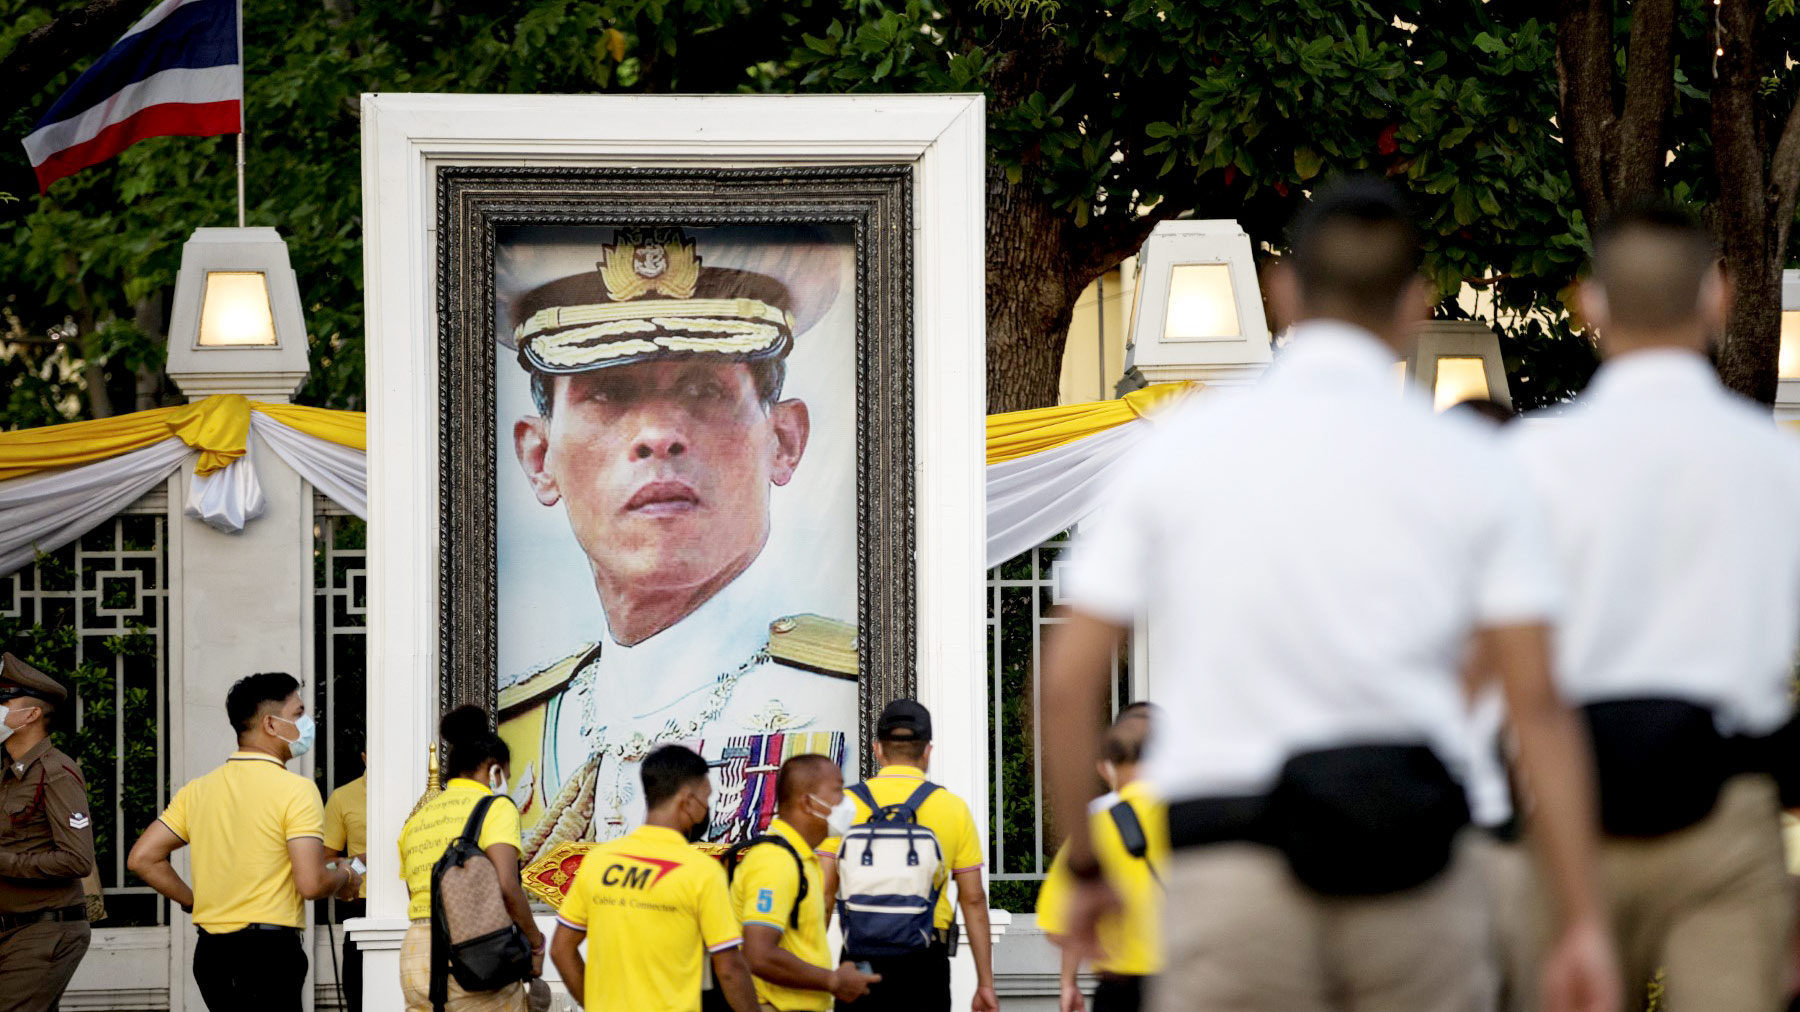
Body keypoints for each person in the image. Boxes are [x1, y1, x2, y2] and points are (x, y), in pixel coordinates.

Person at [1041, 177, 1619, 1012]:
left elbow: (1068, 677)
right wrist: (1579, 916)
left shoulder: (1184, 450)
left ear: (1281, 291)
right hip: (1412, 864)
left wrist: (1089, 864)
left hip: (1234, 869)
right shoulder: (1475, 469)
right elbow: (1537, 701)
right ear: (1417, 303)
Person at [1508, 199, 1800, 1011]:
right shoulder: (1776, 468)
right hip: (1729, 812)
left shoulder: (1529, 463)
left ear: (1589, 304)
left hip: (1568, 808)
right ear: (1718, 295)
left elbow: (1498, 668)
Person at [497, 227, 859, 855]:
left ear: (785, 440)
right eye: (608, 393)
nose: (660, 435)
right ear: (538, 457)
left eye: (703, 390)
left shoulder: (845, 692)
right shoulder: (522, 728)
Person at [128, 671, 362, 1012]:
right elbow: (311, 884)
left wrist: (195, 901)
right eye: (297, 714)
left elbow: (142, 858)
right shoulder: (295, 790)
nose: (306, 723)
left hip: (210, 953)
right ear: (271, 724)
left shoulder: (198, 790)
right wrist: (346, 874)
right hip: (269, 953)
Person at [549, 744, 760, 1012]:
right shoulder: (700, 871)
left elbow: (561, 950)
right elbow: (729, 968)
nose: (707, 808)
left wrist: (593, 1004)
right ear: (687, 800)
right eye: (706, 799)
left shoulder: (600, 861)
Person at [819, 700, 998, 1012]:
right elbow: (973, 899)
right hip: (925, 961)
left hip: (859, 959)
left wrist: (815, 969)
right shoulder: (952, 808)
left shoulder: (845, 805)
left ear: (877, 749)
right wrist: (985, 983)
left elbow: (824, 891)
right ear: (927, 751)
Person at [397, 706, 544, 1012]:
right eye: (506, 774)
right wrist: (535, 940)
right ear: (494, 770)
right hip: (475, 954)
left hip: (416, 955)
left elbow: (418, 895)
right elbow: (506, 885)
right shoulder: (496, 807)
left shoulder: (417, 820)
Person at [730, 753, 879, 1012]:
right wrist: (832, 980)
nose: (847, 803)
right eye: (837, 791)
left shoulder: (801, 859)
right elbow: (758, 954)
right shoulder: (774, 861)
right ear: (809, 803)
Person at [1038, 704, 1163, 1012]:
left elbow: (1060, 926)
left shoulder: (1094, 825)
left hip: (1121, 988)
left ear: (1108, 763)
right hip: (1190, 985)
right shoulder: (1199, 817)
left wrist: (1069, 982)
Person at [0, 653, 94, 1012]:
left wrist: (4, 862)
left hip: (44, 930)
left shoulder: (56, 772)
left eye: (4, 701)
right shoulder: (8, 772)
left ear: (31, 715)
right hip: (14, 930)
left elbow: (77, 858)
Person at [323, 753, 368, 1011]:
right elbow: (325, 862)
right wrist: (361, 862)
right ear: (363, 757)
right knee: (358, 994)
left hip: (414, 904)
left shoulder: (420, 788)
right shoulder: (343, 797)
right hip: (359, 904)